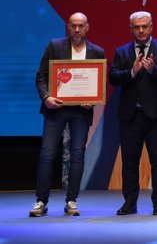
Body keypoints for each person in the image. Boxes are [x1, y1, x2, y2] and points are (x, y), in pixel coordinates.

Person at [29, 12, 105, 217]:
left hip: (81, 111)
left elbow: (100, 82)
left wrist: (93, 100)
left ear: (87, 27)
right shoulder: (55, 46)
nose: (77, 29)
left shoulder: (97, 51)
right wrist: (46, 97)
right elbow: (41, 76)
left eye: (81, 26)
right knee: (47, 153)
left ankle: (71, 201)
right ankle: (41, 201)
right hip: (56, 108)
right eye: (73, 25)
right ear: (68, 27)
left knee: (77, 154)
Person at [109, 11, 157, 216]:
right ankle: (130, 203)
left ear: (151, 27)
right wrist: (132, 72)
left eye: (144, 26)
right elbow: (113, 77)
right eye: (137, 27)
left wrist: (153, 70)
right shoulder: (121, 51)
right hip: (130, 116)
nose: (141, 30)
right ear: (130, 29)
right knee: (130, 162)